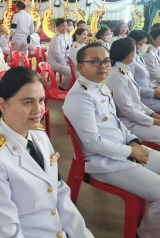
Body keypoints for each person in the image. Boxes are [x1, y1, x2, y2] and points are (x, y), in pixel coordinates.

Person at [0, 66, 93, 238]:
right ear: (3, 104)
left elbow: (60, 192)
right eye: (28, 102)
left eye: (41, 100)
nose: (38, 110)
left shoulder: (39, 136)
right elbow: (7, 233)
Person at [63, 42, 160, 238]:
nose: (103, 66)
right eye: (95, 61)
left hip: (123, 150)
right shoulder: (80, 96)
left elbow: (117, 123)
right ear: (80, 66)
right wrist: (131, 152)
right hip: (105, 163)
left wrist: (134, 142)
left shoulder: (101, 87)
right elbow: (93, 143)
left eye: (106, 61)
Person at [105, 38, 160, 144]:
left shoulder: (125, 70)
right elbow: (127, 110)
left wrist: (153, 114)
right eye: (135, 51)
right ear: (130, 54)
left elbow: (136, 100)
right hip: (130, 123)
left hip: (139, 117)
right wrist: (153, 121)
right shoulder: (117, 75)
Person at [127, 30, 160, 112]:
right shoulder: (129, 61)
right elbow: (132, 87)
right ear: (134, 43)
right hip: (142, 100)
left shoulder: (138, 56)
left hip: (150, 95)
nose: (145, 45)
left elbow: (147, 79)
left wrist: (154, 87)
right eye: (143, 43)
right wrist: (153, 92)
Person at [47, 18, 72, 90]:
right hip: (53, 62)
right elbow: (57, 54)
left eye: (66, 25)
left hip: (63, 60)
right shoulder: (56, 38)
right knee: (70, 73)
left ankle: (71, 87)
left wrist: (68, 61)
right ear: (57, 28)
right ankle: (62, 88)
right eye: (62, 26)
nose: (65, 27)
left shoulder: (68, 36)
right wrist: (65, 64)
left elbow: (68, 50)